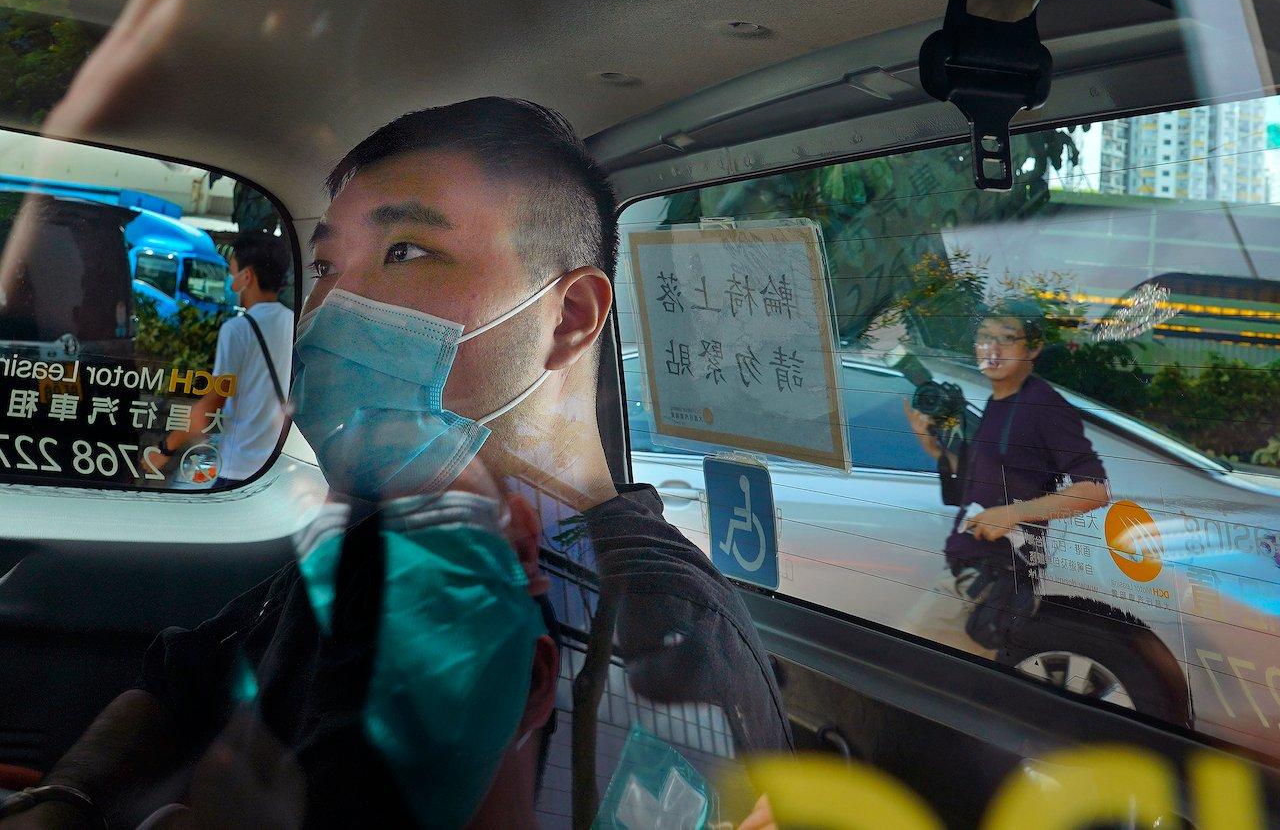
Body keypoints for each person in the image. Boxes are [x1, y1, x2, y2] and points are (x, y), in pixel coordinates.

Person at [1, 96, 789, 828]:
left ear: (569, 318)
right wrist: (63, 797)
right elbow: (184, 674)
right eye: (332, 269)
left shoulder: (646, 639)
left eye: (407, 250)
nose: (332, 315)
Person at [901, 297, 1110, 658]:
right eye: (983, 336)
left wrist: (1013, 513)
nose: (991, 348)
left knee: (906, 668)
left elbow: (1094, 490)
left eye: (1006, 338)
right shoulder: (998, 402)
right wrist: (936, 450)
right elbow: (980, 487)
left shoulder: (1043, 406)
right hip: (972, 575)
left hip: (990, 581)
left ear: (1034, 348)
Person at [154, 233, 293, 488]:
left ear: (247, 277)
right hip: (276, 464)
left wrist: (164, 450)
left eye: (232, 273)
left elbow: (211, 404)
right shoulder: (293, 322)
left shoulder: (238, 330)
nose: (230, 283)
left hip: (238, 466)